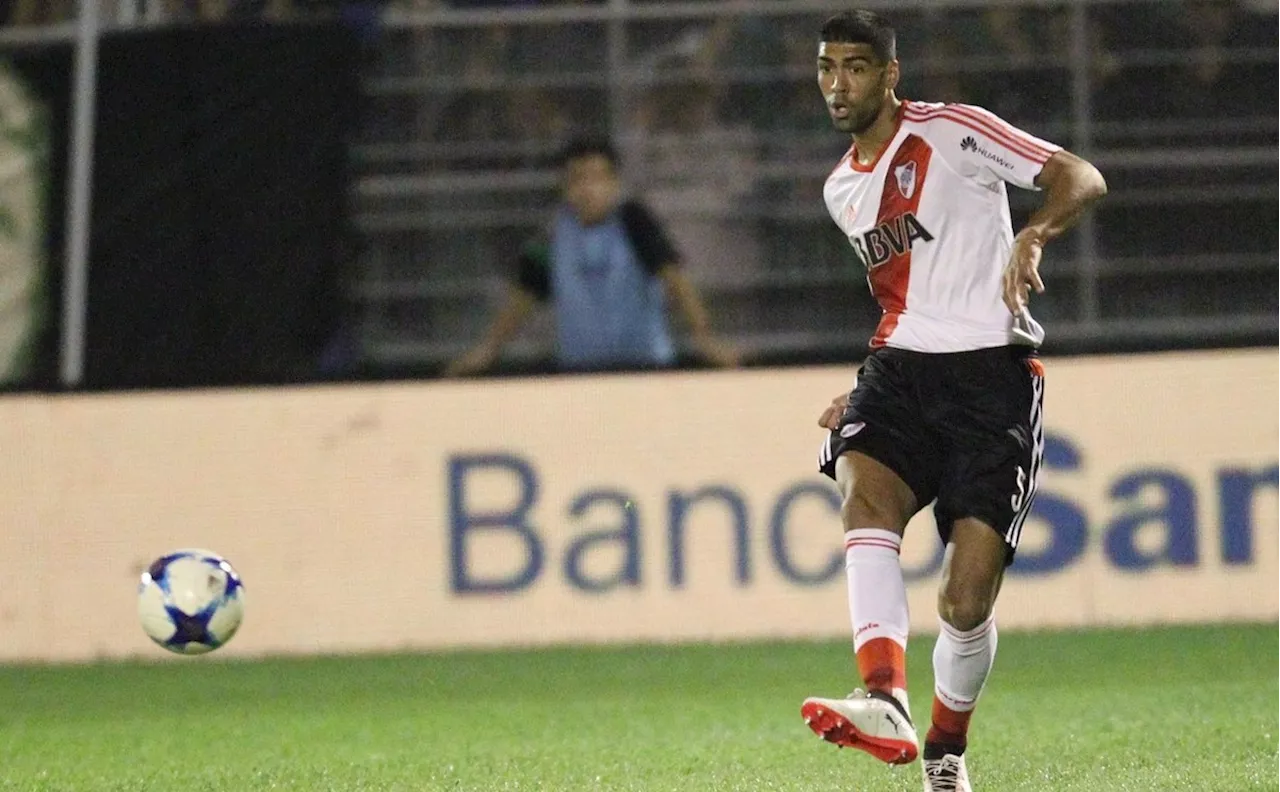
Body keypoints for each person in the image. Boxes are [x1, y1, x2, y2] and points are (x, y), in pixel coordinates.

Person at [797, 10, 1106, 792]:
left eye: (857, 67)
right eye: (828, 67)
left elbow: (1081, 177)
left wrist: (1034, 234)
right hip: (899, 372)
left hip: (990, 379)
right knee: (865, 498)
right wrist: (867, 378)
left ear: (890, 75)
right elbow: (905, 297)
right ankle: (883, 694)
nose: (839, 83)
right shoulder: (840, 188)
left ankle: (944, 749)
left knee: (966, 599)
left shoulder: (952, 133)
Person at [445, 137, 738, 376]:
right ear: (564, 186)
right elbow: (523, 299)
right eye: (577, 180)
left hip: (644, 369)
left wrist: (704, 338)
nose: (588, 190)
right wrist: (488, 350)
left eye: (598, 179)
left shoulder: (635, 221)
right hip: (579, 373)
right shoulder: (552, 235)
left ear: (615, 184)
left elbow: (675, 279)